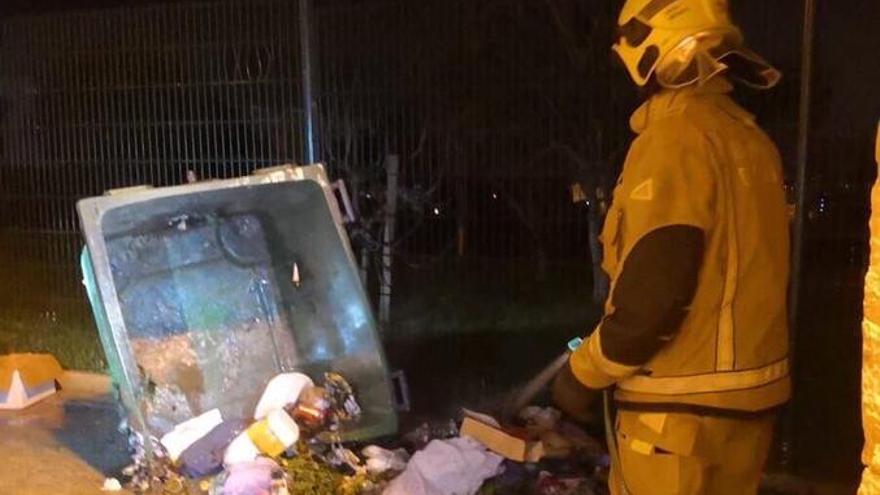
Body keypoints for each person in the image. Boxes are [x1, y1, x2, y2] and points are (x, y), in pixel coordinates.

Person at [553, 1, 790, 494]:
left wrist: (581, 374)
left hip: (676, 422)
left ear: (651, 51)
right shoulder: (751, 142)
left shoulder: (673, 140)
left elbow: (654, 295)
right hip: (747, 413)